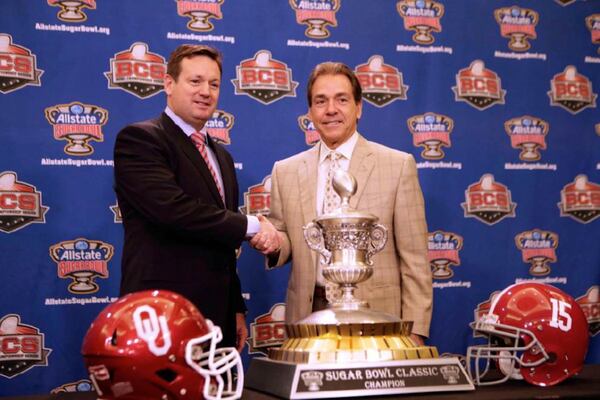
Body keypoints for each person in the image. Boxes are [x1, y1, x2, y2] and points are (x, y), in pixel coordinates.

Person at [252, 62, 432, 345]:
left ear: (358, 107)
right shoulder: (285, 171)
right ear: (310, 112)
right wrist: (274, 241)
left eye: (342, 99)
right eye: (320, 101)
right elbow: (287, 239)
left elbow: (415, 261)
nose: (331, 109)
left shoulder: (397, 166)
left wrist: (416, 332)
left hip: (378, 321)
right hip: (308, 319)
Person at [114, 44, 278, 351]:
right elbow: (174, 211)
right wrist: (253, 226)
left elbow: (222, 245)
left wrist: (234, 308)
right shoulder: (140, 140)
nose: (205, 91)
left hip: (217, 320)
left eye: (213, 84)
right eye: (195, 81)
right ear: (168, 84)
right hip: (160, 317)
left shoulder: (222, 158)